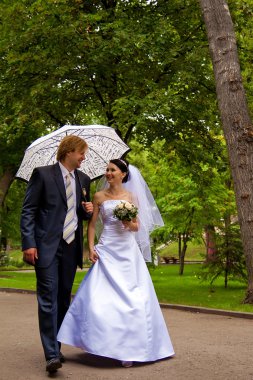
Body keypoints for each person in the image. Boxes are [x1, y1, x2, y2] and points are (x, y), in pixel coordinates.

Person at [57, 159, 175, 367]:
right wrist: (91, 247)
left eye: (113, 170)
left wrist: (128, 221)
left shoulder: (132, 197)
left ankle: (131, 348)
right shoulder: (98, 196)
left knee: (133, 299)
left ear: (123, 174)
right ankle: (100, 343)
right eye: (107, 170)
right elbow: (92, 225)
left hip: (128, 252)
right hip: (107, 249)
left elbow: (137, 227)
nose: (108, 173)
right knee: (98, 298)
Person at [20, 135, 93, 373]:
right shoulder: (42, 174)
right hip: (45, 247)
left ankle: (57, 347)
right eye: (82, 152)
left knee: (63, 298)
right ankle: (51, 354)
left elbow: (79, 215)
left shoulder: (84, 179)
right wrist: (29, 243)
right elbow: (28, 211)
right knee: (48, 298)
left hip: (71, 248)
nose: (84, 157)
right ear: (69, 151)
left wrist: (87, 210)